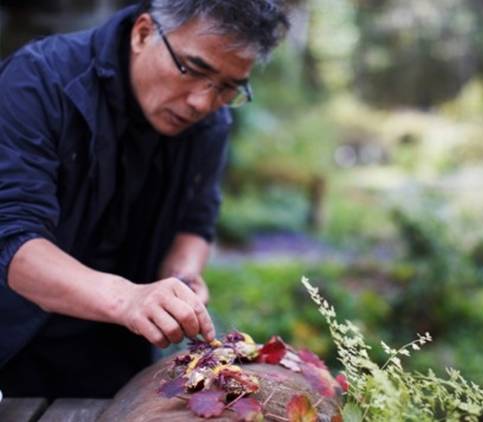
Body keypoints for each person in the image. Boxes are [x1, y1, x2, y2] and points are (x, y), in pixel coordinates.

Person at [0, 0, 289, 398]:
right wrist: (129, 299)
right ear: (143, 33)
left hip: (115, 360)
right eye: (193, 69)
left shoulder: (211, 124)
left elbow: (196, 221)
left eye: (227, 87)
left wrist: (183, 281)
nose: (201, 103)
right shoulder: (40, 80)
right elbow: (11, 240)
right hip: (12, 348)